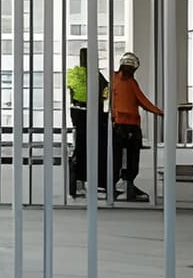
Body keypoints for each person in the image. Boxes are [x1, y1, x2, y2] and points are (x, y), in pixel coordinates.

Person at [111, 52, 162, 202]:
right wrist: (159, 112)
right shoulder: (132, 83)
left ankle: (117, 186)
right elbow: (143, 101)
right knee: (132, 158)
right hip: (131, 127)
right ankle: (127, 186)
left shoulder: (113, 80)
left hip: (117, 125)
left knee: (117, 157)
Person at [66, 47, 108, 198]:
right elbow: (105, 94)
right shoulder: (97, 76)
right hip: (93, 114)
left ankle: (78, 183)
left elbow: (71, 89)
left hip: (77, 112)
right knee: (97, 147)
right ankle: (97, 182)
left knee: (81, 147)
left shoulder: (74, 74)